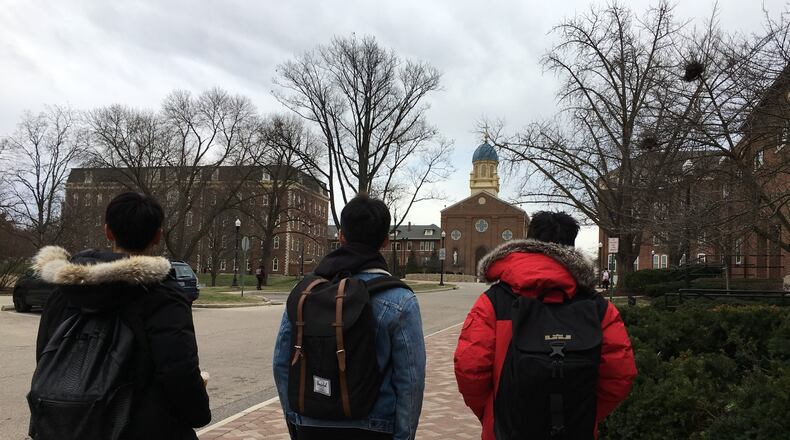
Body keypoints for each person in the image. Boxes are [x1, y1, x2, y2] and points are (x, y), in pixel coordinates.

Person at [30, 192, 211, 439]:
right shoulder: (163, 297)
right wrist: (199, 412)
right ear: (158, 236)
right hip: (145, 428)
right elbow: (178, 371)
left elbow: (45, 356)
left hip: (71, 426)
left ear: (108, 232)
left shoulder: (66, 292)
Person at [454, 211, 636, 440]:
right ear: (571, 247)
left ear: (528, 242)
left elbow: (469, 369)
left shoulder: (493, 302)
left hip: (506, 430)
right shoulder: (599, 308)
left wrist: (492, 413)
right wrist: (583, 414)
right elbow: (620, 374)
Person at [273, 194, 426, 440]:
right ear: (385, 241)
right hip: (374, 427)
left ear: (341, 236)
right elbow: (410, 380)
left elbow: (281, 364)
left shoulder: (306, 293)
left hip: (311, 424)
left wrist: (296, 422)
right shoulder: (400, 299)